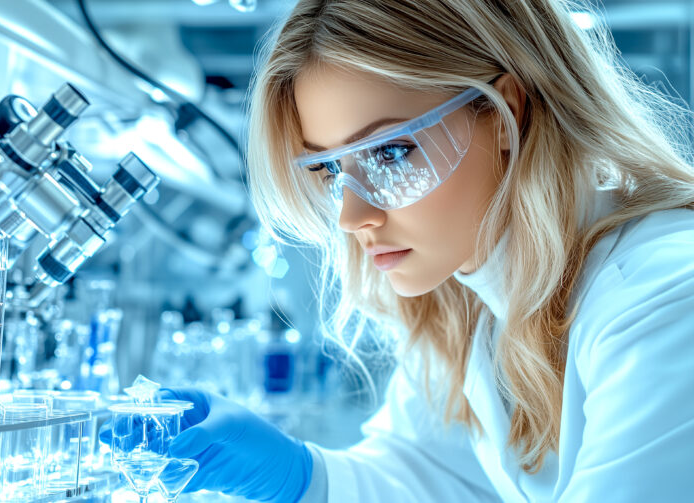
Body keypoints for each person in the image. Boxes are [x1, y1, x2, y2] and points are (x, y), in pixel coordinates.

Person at [102, 0, 694, 501]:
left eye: (391, 153)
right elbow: (427, 476)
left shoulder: (665, 297)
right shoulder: (469, 298)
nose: (353, 216)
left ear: (507, 110)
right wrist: (304, 476)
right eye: (330, 168)